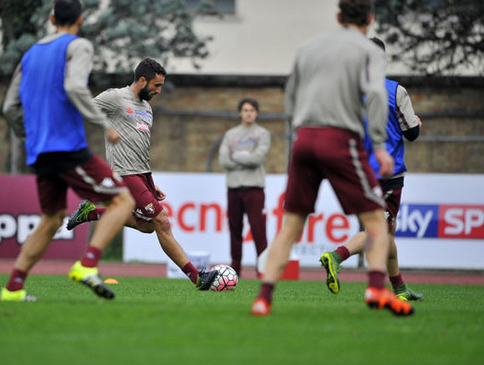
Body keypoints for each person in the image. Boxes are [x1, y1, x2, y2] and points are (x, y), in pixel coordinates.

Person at [251, 0, 414, 317]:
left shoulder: (310, 47)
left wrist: (297, 127)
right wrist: (379, 146)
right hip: (340, 140)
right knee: (377, 223)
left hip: (304, 137)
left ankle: (263, 299)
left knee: (291, 226)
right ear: (370, 18)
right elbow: (378, 95)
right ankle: (376, 289)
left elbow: (291, 91)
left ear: (338, 17)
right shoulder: (369, 52)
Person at [0, 0, 135, 302]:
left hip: (40, 150)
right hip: (66, 147)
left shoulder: (30, 54)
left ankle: (13, 288)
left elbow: (9, 107)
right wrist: (103, 123)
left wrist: (30, 137)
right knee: (123, 200)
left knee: (52, 217)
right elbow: (75, 87)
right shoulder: (79, 46)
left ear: (51, 19)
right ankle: (87, 266)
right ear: (80, 20)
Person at [66, 58, 218, 290]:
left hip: (142, 174)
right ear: (143, 80)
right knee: (162, 222)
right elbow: (85, 107)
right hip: (125, 174)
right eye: (156, 86)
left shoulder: (147, 107)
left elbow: (140, 147)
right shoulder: (116, 98)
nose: (159, 91)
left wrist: (150, 182)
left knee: (147, 226)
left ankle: (91, 213)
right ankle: (196, 277)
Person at [319, 37, 424, 301]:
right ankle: (336, 256)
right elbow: (411, 132)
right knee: (379, 232)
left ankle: (399, 288)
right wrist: (417, 124)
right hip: (388, 173)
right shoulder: (395, 90)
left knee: (386, 233)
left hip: (358, 171)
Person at [218, 98, 271, 277]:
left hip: (254, 188)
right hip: (234, 188)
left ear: (256, 113)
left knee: (259, 230)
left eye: (252, 110)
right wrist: (246, 156)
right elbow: (223, 160)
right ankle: (235, 270)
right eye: (245, 110)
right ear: (240, 113)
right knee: (234, 229)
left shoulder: (262, 134)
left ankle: (263, 269)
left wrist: (236, 156)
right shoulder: (231, 134)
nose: (248, 113)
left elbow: (258, 159)